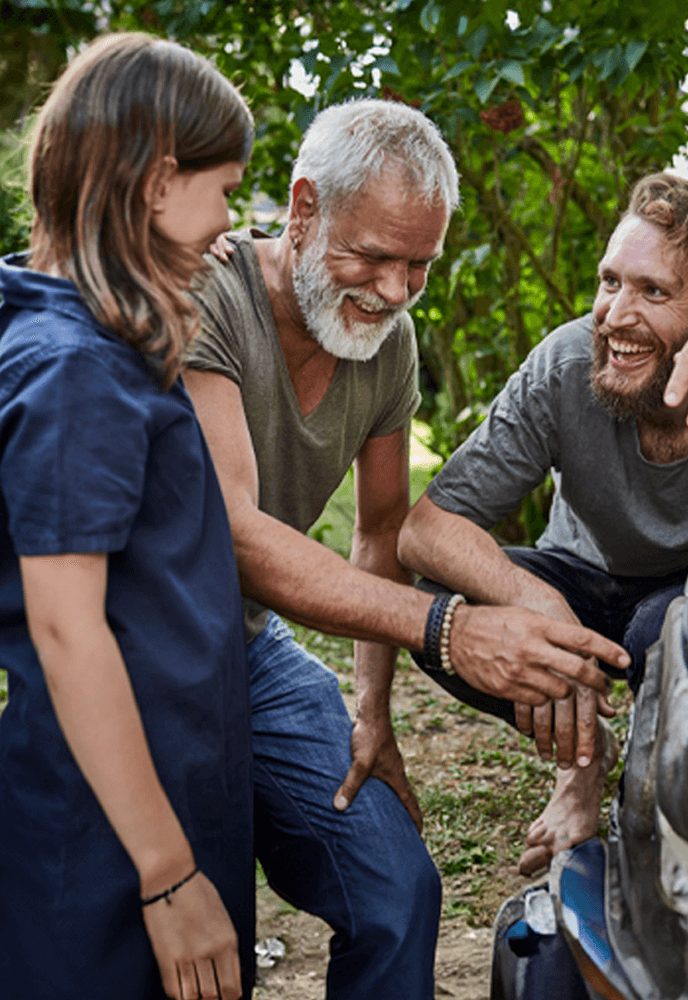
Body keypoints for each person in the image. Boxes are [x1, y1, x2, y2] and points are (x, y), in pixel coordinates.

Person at [183, 99, 626, 999]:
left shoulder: (389, 344)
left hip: (255, 651)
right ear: (302, 208)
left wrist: (371, 709)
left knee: (398, 888)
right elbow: (232, 532)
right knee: (206, 931)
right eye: (373, 256)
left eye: (418, 264)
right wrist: (449, 629)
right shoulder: (203, 295)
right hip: (157, 658)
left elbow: (382, 528)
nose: (393, 290)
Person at [397, 171, 688, 878]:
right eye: (610, 281)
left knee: (674, 631)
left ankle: (658, 794)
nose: (616, 314)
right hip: (583, 580)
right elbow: (425, 530)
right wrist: (541, 612)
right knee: (444, 609)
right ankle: (583, 765)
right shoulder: (565, 363)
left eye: (653, 291)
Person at [0, 33, 256, 1000]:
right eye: (224, 187)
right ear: (157, 184)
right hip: (107, 844)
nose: (229, 220)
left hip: (164, 794)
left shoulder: (89, 341)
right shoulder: (74, 374)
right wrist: (168, 875)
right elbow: (68, 630)